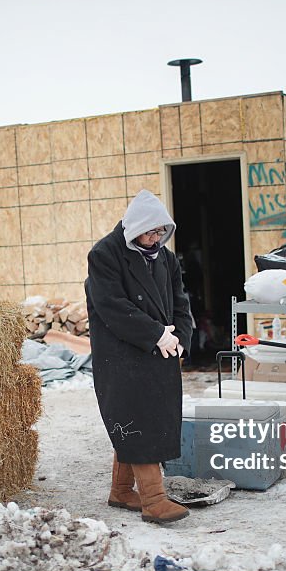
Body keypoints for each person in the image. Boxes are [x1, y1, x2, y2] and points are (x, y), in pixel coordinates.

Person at [84, 190, 194, 524]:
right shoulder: (105, 254)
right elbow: (111, 305)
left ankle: (121, 491)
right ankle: (154, 500)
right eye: (149, 231)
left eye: (161, 232)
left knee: (139, 421)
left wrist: (180, 341)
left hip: (160, 352)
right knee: (138, 421)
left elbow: (180, 301)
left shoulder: (166, 258)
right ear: (135, 228)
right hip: (121, 354)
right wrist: (155, 334)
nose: (155, 238)